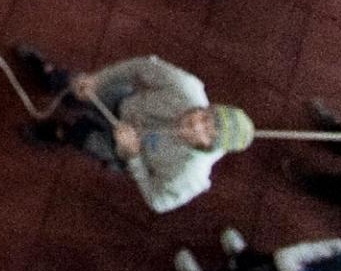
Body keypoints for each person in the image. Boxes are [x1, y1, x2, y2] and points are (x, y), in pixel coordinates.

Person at [16, 52, 249, 211]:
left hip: (124, 151)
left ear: (211, 146)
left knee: (81, 136)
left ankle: (59, 133)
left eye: (207, 133)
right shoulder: (187, 87)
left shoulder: (190, 176)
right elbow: (142, 66)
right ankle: (50, 76)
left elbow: (158, 202)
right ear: (208, 107)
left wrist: (133, 156)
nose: (196, 125)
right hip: (123, 102)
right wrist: (98, 80)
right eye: (205, 117)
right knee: (74, 85)